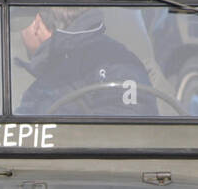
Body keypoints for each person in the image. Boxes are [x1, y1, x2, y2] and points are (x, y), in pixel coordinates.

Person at [16, 6, 152, 116]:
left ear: (36, 24)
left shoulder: (114, 62)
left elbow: (128, 135)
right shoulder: (118, 61)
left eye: (21, 25)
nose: (20, 34)